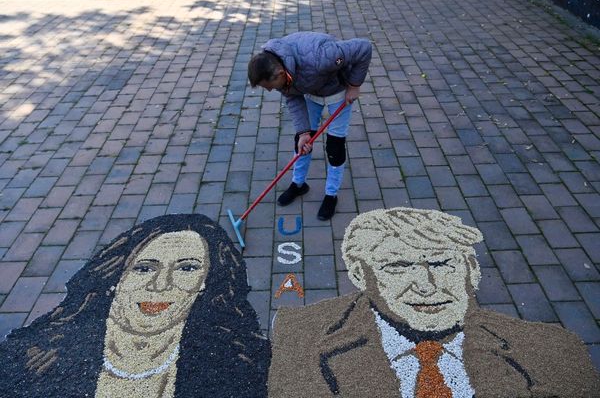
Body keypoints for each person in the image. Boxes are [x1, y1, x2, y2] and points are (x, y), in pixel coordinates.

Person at [268, 207, 599, 397]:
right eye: (398, 267)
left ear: (470, 269)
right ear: (359, 272)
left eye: (442, 264)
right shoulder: (301, 334)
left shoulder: (554, 347)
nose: (427, 287)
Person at [0, 214, 271, 398]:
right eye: (144, 268)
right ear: (116, 277)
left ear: (204, 283)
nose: (160, 285)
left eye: (187, 268)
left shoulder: (242, 363)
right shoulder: (29, 357)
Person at [248, 32, 372, 220]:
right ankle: (299, 184)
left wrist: (354, 85)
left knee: (334, 146)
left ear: (281, 73)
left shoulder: (322, 57)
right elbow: (292, 97)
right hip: (311, 92)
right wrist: (304, 132)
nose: (272, 90)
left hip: (337, 93)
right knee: (302, 141)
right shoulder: (278, 68)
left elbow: (364, 47)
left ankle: (331, 195)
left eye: (270, 86)